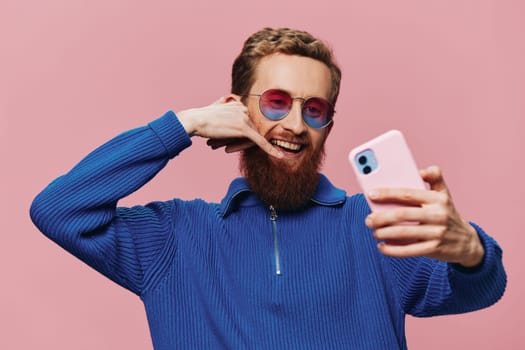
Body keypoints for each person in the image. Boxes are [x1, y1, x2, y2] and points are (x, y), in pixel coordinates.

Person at [30, 27, 506, 349]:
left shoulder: (376, 225)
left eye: (315, 110)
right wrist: (184, 124)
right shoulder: (175, 237)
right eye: (276, 103)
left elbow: (481, 290)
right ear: (237, 109)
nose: (296, 125)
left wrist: (472, 253)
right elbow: (59, 210)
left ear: (328, 125)